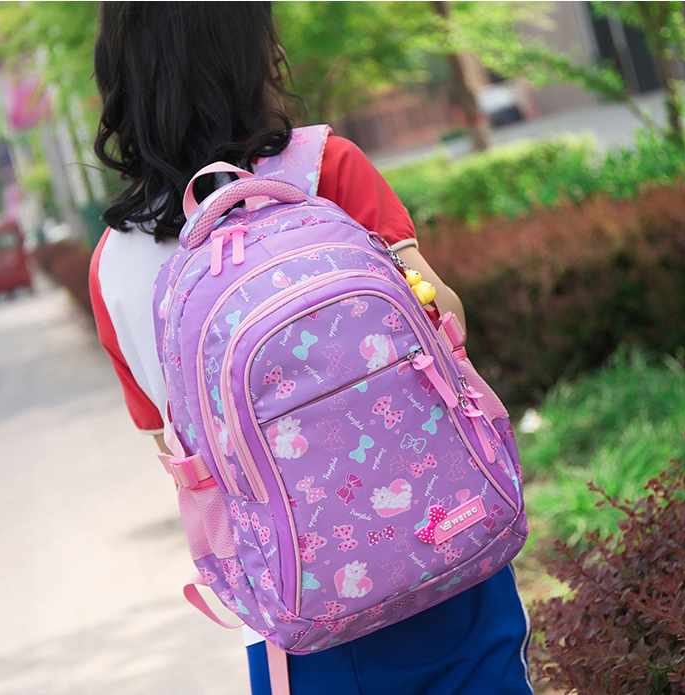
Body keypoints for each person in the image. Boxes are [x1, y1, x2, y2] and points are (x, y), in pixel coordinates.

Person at [89, 3, 533, 694]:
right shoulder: (324, 165)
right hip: (448, 538)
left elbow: (180, 458)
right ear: (248, 52)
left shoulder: (111, 265)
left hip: (298, 613)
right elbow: (442, 318)